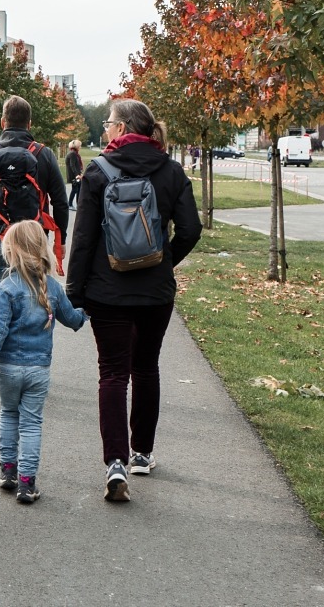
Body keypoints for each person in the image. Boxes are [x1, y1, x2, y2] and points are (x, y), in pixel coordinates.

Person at [65, 98, 200, 503]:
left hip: (107, 291)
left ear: (122, 129)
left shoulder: (97, 172)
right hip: (155, 291)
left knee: (112, 373)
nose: (105, 129)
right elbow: (191, 229)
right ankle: (142, 453)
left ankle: (115, 463)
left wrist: (75, 291)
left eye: (108, 123)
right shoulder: (172, 171)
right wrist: (164, 260)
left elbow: (85, 238)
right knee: (146, 368)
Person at [0, 220, 87, 505]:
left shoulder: (7, 287)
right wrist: (84, 314)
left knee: (8, 413)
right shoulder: (51, 286)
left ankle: (8, 471)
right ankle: (27, 483)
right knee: (31, 423)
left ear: (10, 251)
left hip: (9, 367)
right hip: (39, 368)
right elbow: (71, 319)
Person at [0, 95, 70, 295]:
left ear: (2, 122)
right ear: (29, 124)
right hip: (35, 238)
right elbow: (60, 202)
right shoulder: (44, 154)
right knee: (36, 299)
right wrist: (61, 240)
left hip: (0, 238)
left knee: (2, 303)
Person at [65, 139, 84, 210]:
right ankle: (70, 204)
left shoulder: (74, 153)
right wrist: (77, 175)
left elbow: (76, 165)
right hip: (74, 176)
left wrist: (80, 172)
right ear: (76, 146)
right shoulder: (73, 154)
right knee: (75, 189)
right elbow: (72, 165)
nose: (80, 147)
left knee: (78, 189)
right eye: (80, 146)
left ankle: (78, 204)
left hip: (76, 175)